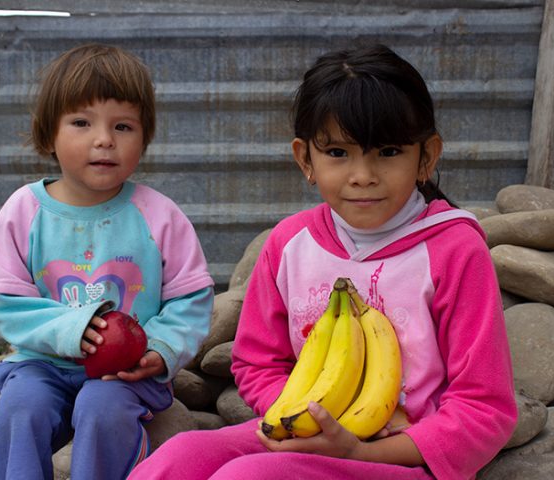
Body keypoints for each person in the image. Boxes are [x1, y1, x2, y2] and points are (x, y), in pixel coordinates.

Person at [128, 44, 517, 480]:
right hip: (302, 434)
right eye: (338, 153)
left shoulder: (454, 250)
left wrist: (359, 450)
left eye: (387, 152)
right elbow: (258, 362)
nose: (362, 175)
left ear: (426, 156)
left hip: (402, 458)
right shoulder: (289, 244)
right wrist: (305, 417)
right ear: (304, 158)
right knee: (178, 457)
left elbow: (485, 409)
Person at [0, 43, 214, 480]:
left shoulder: (159, 215)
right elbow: (5, 298)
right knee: (22, 405)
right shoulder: (23, 211)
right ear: (49, 133)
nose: (104, 139)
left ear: (144, 137)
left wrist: (160, 350)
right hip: (42, 362)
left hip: (122, 374)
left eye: (123, 126)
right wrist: (72, 331)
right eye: (82, 122)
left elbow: (191, 299)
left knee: (102, 409)